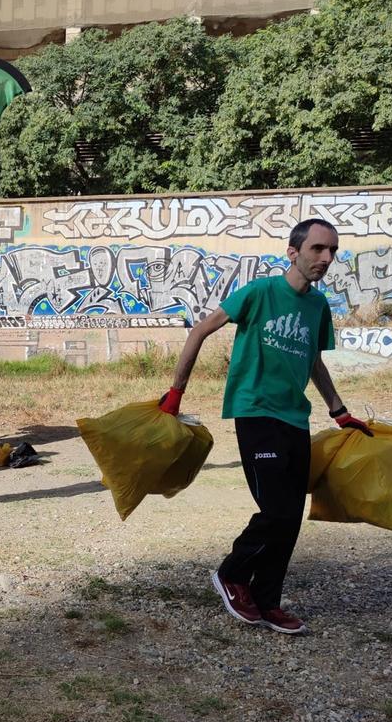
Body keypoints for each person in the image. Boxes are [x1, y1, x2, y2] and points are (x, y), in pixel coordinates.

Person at [159, 218, 371, 635]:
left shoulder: (317, 306)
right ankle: (232, 574)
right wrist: (176, 392)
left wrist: (338, 410)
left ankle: (268, 600)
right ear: (293, 252)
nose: (326, 258)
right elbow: (201, 329)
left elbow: (313, 361)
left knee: (290, 516)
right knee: (275, 510)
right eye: (317, 249)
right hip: (255, 411)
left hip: (295, 416)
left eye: (332, 251)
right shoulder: (259, 292)